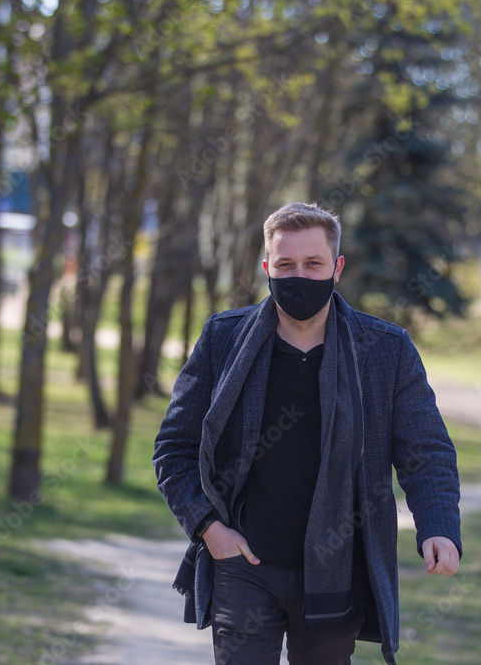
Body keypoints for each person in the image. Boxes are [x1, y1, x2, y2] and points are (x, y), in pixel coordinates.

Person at [152, 202, 462, 665]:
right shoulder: (224, 339)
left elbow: (427, 450)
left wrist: (439, 527)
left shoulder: (385, 350)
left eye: (313, 264)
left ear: (336, 268)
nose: (299, 276)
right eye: (286, 265)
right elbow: (174, 448)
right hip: (244, 565)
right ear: (267, 269)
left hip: (338, 570)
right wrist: (208, 527)